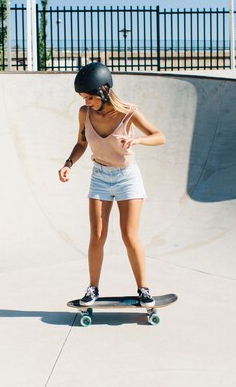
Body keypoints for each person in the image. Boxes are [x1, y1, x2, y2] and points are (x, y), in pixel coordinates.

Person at [58, 62, 166, 307]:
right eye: (82, 98)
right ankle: (93, 288)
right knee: (97, 236)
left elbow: (159, 136)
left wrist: (137, 140)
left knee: (129, 235)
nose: (86, 102)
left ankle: (144, 289)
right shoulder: (84, 114)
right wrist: (68, 163)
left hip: (127, 177)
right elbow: (82, 143)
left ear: (104, 90)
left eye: (90, 97)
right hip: (100, 176)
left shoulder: (129, 112)